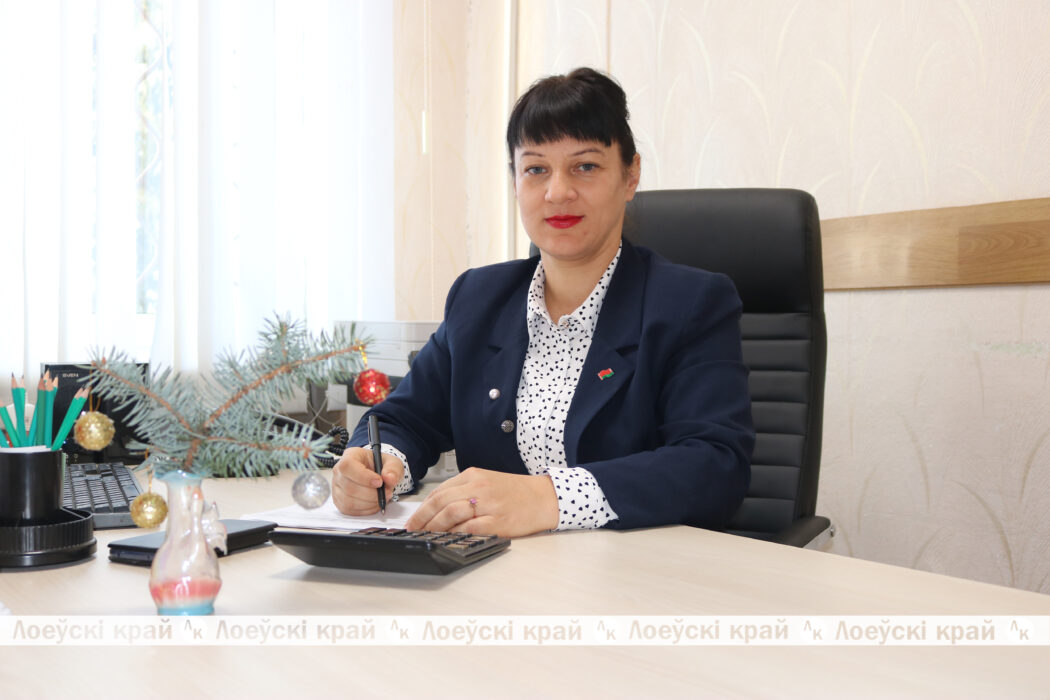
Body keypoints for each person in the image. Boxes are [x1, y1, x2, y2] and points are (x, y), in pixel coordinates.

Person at [333, 67, 753, 537]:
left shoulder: (690, 304)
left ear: (630, 175)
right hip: (495, 568)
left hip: (635, 570)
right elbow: (404, 418)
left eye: (585, 166)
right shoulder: (478, 298)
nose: (557, 192)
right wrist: (376, 467)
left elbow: (715, 465)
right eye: (536, 169)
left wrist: (549, 498)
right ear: (515, 181)